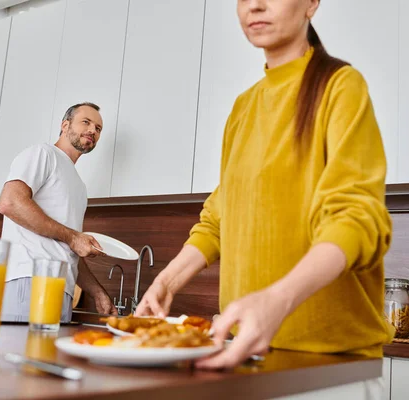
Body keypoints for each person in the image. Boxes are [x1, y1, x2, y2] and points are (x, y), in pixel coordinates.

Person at [136, 0, 393, 379]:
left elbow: (355, 219)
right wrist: (165, 282)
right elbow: (218, 218)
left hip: (327, 363)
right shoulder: (243, 108)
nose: (254, 5)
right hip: (244, 353)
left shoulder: (340, 86)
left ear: (311, 4)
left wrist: (277, 300)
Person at [0, 102, 118, 322]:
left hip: (60, 288)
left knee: (45, 357)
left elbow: (68, 247)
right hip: (30, 280)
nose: (93, 130)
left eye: (98, 128)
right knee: (19, 355)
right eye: (86, 122)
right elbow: (10, 203)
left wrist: (98, 292)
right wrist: (73, 238)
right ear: (65, 125)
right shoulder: (43, 154)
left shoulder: (79, 186)